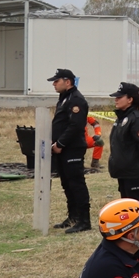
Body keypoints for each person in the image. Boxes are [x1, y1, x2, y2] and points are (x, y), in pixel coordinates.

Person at [49, 68, 91, 232]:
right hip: (63, 149)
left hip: (71, 148)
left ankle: (84, 220)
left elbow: (76, 126)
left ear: (68, 82)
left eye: (56, 81)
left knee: (76, 183)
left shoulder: (76, 100)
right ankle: (73, 216)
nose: (54, 84)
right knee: (67, 183)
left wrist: (60, 143)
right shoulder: (65, 98)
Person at [108, 82, 139, 202]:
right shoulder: (121, 118)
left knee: (135, 208)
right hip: (124, 172)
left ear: (130, 100)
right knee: (127, 208)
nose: (116, 100)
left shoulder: (136, 118)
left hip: (134, 173)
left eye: (119, 97)